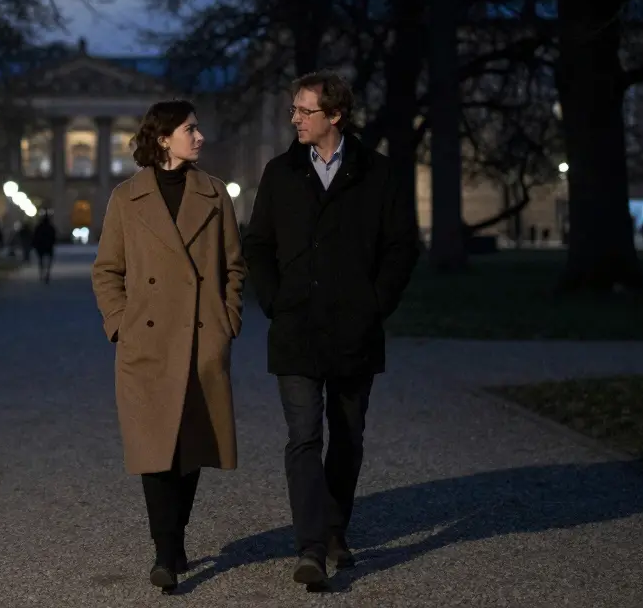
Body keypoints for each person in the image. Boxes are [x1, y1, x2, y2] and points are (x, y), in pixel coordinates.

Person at [243, 71, 421, 587]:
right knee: (303, 437)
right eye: (294, 110)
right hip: (296, 327)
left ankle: (336, 528)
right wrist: (274, 299)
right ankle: (311, 546)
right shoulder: (280, 173)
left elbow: (401, 247)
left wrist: (375, 304)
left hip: (354, 329)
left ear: (335, 115)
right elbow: (257, 244)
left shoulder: (378, 173)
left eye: (305, 111)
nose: (295, 118)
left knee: (348, 437)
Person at [92, 99, 247, 593]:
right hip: (146, 343)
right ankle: (164, 551)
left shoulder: (215, 194)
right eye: (190, 129)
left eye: (197, 128)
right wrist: (120, 323)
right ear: (163, 138)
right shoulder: (126, 198)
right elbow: (107, 271)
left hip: (201, 339)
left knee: (191, 448)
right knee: (153, 447)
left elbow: (233, 268)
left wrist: (228, 321)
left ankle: (175, 538)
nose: (199, 137)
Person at [31, 213, 56, 283]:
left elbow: (35, 236)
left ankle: (42, 273)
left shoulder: (39, 227)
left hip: (41, 246)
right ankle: (47, 272)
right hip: (48, 245)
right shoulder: (50, 227)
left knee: (41, 260)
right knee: (49, 260)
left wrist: (34, 244)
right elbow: (54, 237)